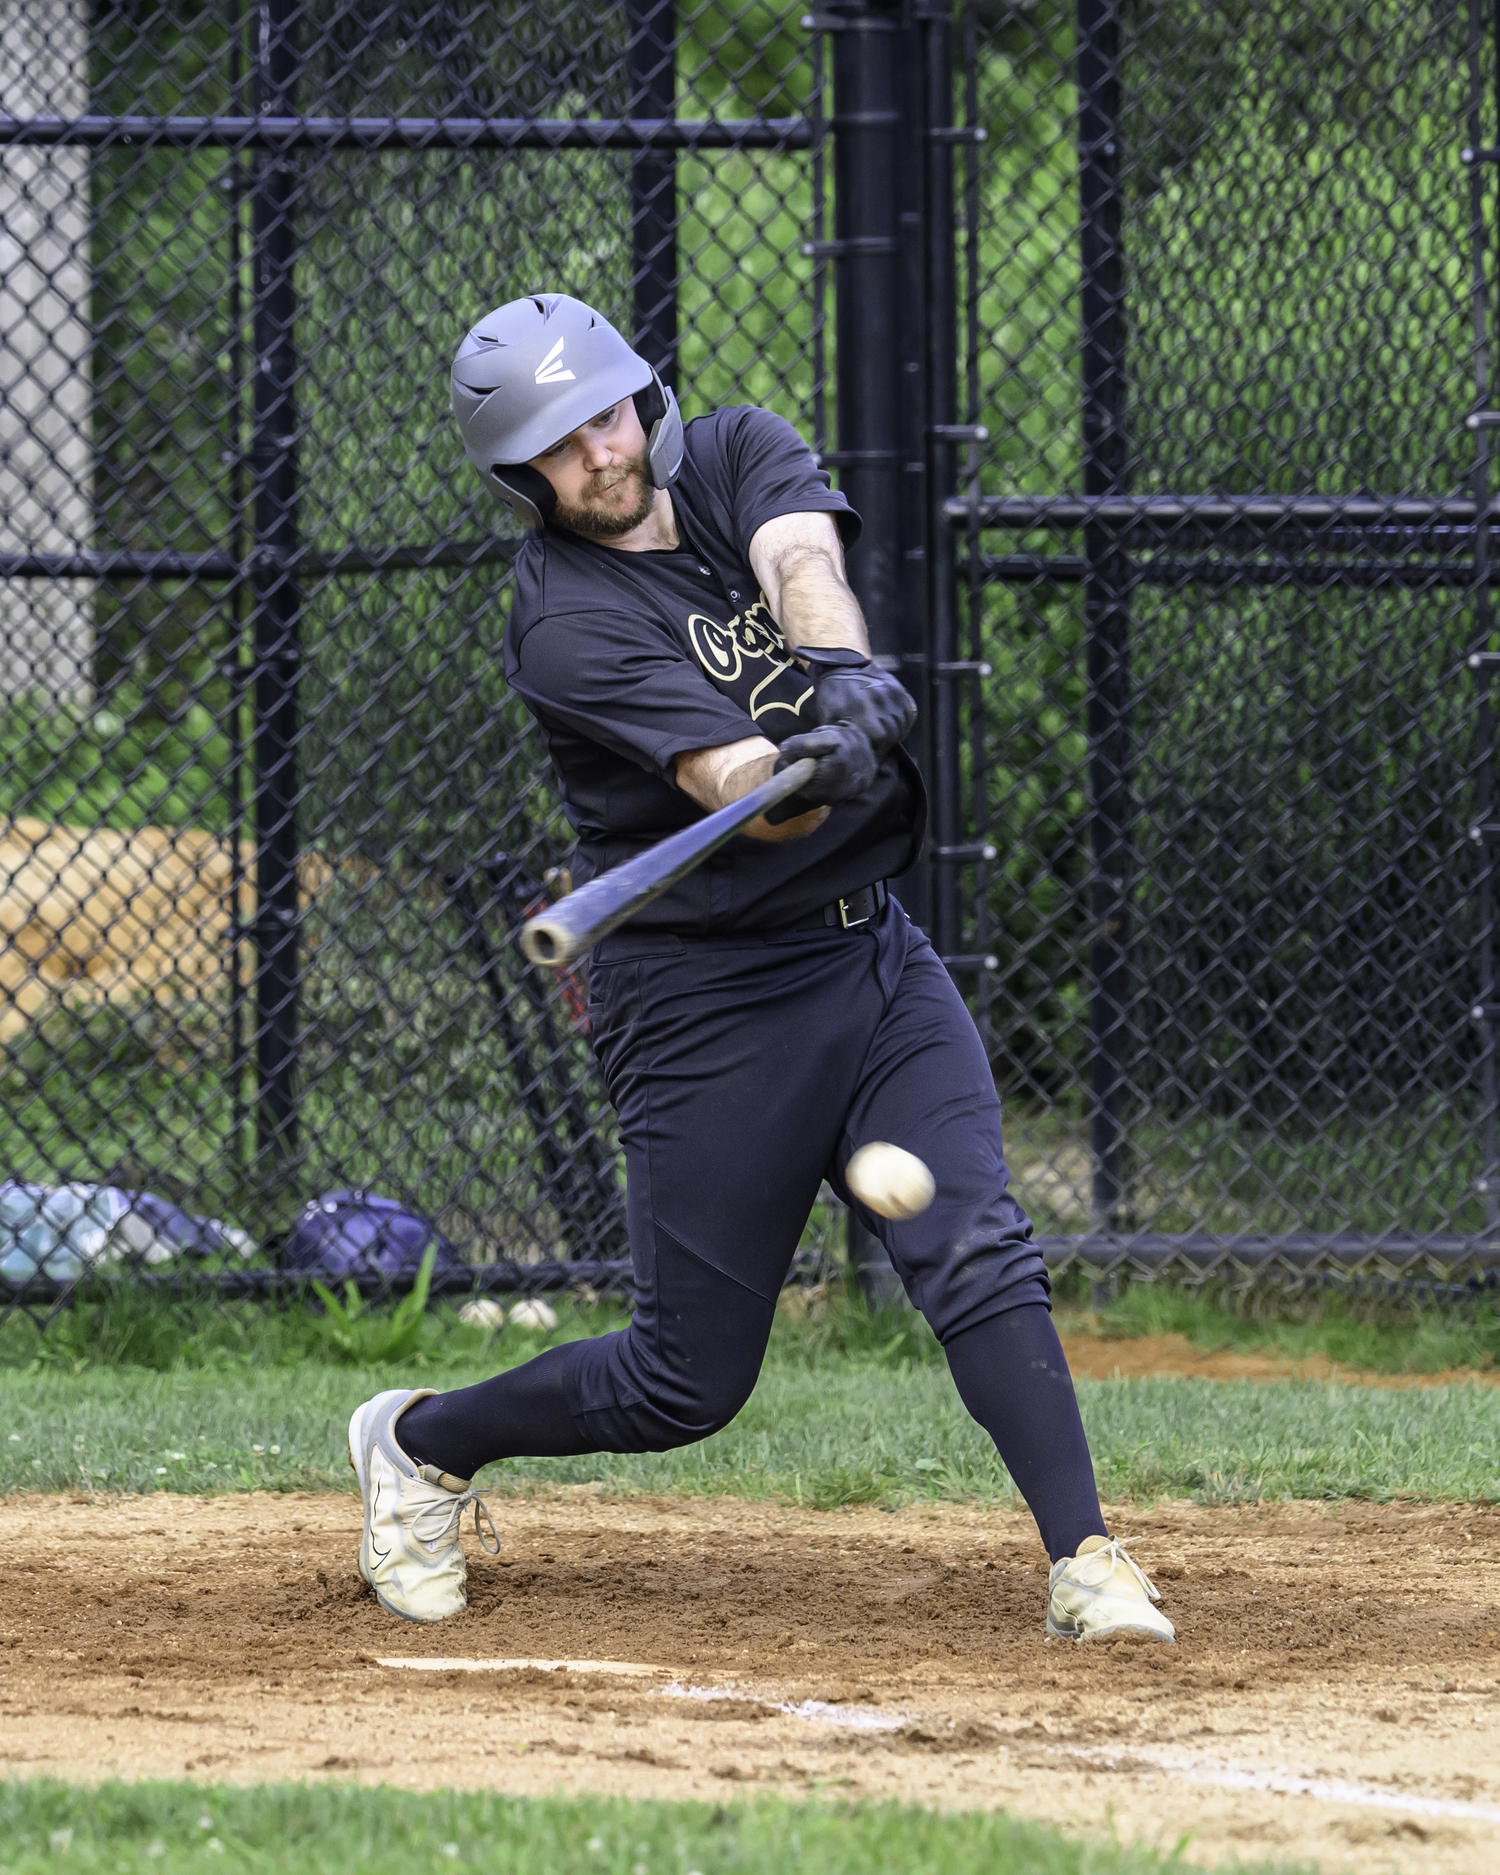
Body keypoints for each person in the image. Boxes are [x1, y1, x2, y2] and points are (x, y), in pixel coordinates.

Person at [346, 292, 1174, 1645]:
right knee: (687, 1382)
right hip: (702, 1002)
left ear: (644, 401)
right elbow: (726, 777)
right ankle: (424, 1442)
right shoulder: (563, 621)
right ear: (517, 477)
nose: (598, 456)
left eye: (606, 416)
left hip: (869, 956)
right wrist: (796, 773)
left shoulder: (732, 451)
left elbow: (801, 557)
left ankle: (1086, 1558)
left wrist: (837, 671)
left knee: (972, 1241)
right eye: (558, 446)